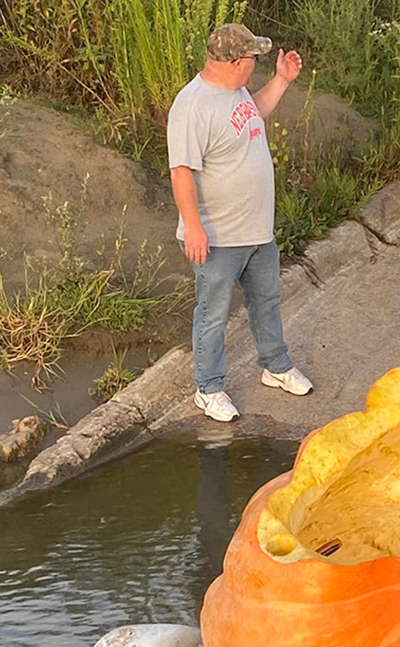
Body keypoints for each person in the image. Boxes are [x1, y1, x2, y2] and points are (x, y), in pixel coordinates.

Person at [167, 23, 313, 423]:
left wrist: (282, 80)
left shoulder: (237, 93)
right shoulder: (192, 105)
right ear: (235, 62)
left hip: (256, 231)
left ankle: (275, 365)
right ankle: (208, 388)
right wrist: (193, 227)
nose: (256, 66)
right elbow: (181, 171)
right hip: (217, 237)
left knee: (266, 299)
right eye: (253, 59)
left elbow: (255, 113)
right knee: (213, 313)